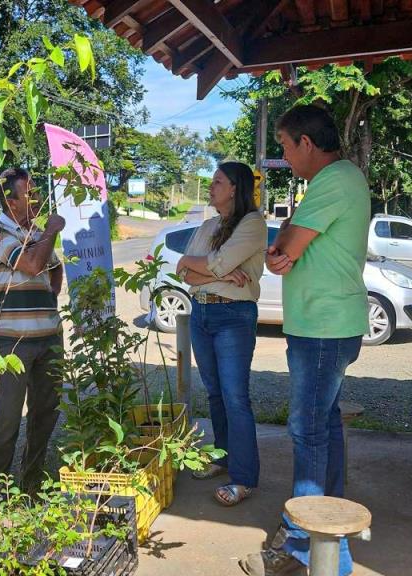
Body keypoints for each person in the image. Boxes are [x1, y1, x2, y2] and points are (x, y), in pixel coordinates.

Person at [239, 105, 371, 576]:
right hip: (326, 325)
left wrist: (289, 243)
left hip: (323, 328)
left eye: (285, 146)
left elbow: (287, 245)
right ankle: (326, 537)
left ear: (306, 144)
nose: (285, 156)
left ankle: (304, 550)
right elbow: (284, 243)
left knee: (308, 431)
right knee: (325, 426)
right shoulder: (336, 181)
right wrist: (288, 242)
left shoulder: (334, 180)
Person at [176, 161, 266, 507]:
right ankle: (224, 457)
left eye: (217, 182)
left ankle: (244, 478)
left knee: (235, 397)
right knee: (214, 394)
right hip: (201, 312)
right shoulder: (208, 224)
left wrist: (214, 270)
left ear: (235, 188)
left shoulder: (253, 223)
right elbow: (185, 270)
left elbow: (209, 264)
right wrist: (223, 275)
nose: (211, 187)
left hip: (233, 316)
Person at [0, 167, 65, 494]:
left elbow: (53, 269)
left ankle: (31, 484)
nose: (37, 198)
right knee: (8, 421)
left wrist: (48, 298)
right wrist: (52, 231)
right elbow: (30, 264)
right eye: (29, 193)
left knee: (45, 415)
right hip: (12, 343)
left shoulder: (38, 231)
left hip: (49, 340)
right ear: (10, 201)